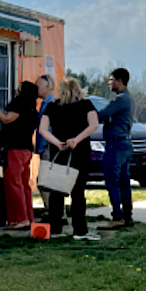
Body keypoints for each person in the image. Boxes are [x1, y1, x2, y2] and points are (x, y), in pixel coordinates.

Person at [39, 77, 100, 239]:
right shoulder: (86, 105)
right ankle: (80, 230)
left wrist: (58, 143)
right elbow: (94, 125)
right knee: (78, 192)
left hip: (58, 153)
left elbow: (43, 129)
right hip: (79, 152)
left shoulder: (52, 106)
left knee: (56, 191)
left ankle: (55, 228)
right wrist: (76, 139)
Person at [0, 81, 39, 229]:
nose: (16, 91)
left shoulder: (19, 105)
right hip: (27, 150)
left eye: (19, 89)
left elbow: (6, 119)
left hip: (16, 149)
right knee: (24, 184)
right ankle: (27, 217)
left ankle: (20, 219)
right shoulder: (33, 109)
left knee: (13, 183)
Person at [96, 68, 135, 230]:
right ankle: (127, 215)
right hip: (125, 143)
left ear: (119, 80)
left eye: (111, 80)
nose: (109, 83)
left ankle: (117, 216)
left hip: (115, 144)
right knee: (124, 181)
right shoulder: (129, 99)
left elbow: (101, 115)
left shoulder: (119, 99)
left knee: (112, 181)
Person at [35, 74, 56, 213]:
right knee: (48, 181)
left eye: (38, 86)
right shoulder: (45, 103)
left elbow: (48, 128)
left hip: (48, 147)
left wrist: (44, 146)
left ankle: (51, 210)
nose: (36, 89)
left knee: (44, 181)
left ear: (47, 86)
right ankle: (54, 210)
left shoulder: (50, 104)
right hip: (46, 147)